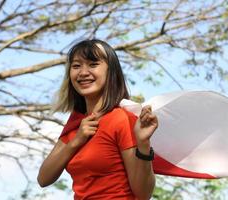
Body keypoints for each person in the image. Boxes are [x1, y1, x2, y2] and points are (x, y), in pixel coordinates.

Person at [37, 39, 158, 200]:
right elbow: (43, 178)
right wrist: (76, 141)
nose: (83, 72)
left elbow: (143, 194)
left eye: (93, 64)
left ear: (111, 72)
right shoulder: (77, 124)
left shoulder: (121, 119)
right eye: (76, 66)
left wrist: (143, 144)